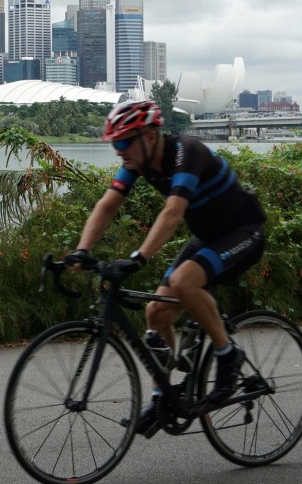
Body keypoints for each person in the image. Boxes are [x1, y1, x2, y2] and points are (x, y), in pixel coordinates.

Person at [66, 99, 267, 438]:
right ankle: (164, 396)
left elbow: (173, 213)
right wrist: (81, 250)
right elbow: (107, 204)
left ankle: (228, 355)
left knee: (184, 281)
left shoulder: (187, 153)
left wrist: (138, 258)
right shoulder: (138, 163)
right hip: (208, 237)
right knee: (157, 312)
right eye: (116, 144)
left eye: (124, 141)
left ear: (149, 136)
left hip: (244, 232)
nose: (119, 152)